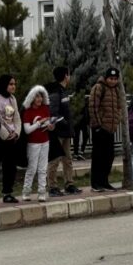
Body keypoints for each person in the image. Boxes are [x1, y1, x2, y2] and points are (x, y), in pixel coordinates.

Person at [89, 68, 123, 191]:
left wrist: (117, 120)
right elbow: (93, 106)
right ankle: (95, 183)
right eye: (111, 78)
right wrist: (97, 125)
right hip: (100, 128)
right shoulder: (99, 88)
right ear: (106, 78)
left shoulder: (116, 90)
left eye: (115, 79)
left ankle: (104, 181)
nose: (113, 81)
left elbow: (119, 107)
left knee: (109, 156)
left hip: (110, 129)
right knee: (98, 157)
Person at [46, 66, 79, 196]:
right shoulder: (55, 92)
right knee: (54, 159)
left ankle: (69, 184)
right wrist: (63, 122)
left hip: (65, 131)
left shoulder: (63, 91)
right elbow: (52, 112)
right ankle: (52, 187)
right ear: (66, 76)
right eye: (69, 74)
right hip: (57, 132)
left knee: (67, 159)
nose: (70, 77)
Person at [0, 74, 22, 203]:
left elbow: (16, 117)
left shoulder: (12, 99)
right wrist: (5, 134)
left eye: (14, 84)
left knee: (10, 166)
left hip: (12, 138)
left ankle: (7, 192)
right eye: (10, 84)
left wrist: (16, 132)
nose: (13, 86)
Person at [21, 86, 52, 202]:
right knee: (32, 168)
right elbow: (27, 130)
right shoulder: (28, 111)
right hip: (33, 143)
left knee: (43, 168)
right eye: (37, 96)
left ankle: (42, 192)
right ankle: (26, 191)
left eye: (41, 96)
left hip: (45, 141)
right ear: (32, 98)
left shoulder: (45, 108)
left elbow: (48, 122)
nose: (39, 99)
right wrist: (39, 123)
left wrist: (50, 126)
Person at [73, 94, 91, 160]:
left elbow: (88, 112)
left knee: (85, 136)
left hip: (83, 121)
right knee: (76, 137)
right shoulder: (78, 101)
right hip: (78, 121)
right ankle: (76, 153)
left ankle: (80, 152)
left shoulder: (86, 103)